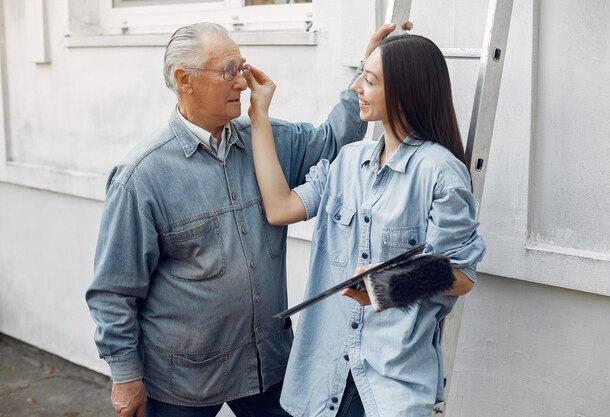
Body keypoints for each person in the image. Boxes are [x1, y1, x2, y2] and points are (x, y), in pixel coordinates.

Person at [85, 22, 401, 417]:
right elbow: (114, 291)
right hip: (183, 380)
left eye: (242, 67)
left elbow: (330, 143)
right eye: (229, 71)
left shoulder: (268, 140)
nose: (243, 83)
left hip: (265, 365)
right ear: (185, 80)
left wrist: (366, 69)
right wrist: (126, 376)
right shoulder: (141, 177)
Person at [246, 34, 487, 417]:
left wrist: (383, 287)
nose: (356, 86)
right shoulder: (347, 161)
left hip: (389, 383)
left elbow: (461, 275)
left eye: (369, 80)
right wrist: (258, 115)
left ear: (405, 93)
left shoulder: (441, 173)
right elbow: (279, 207)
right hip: (322, 380)